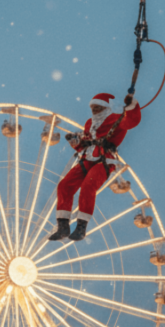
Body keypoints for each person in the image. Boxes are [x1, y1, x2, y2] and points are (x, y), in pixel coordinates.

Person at [48, 92, 142, 242]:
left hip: (105, 160)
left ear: (105, 107)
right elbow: (85, 144)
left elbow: (131, 121)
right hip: (87, 158)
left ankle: (81, 227)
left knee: (88, 186)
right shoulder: (89, 123)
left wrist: (131, 105)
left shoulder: (116, 119)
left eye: (98, 108)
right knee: (64, 186)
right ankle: (63, 226)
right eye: (93, 108)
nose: (94, 111)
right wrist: (76, 143)